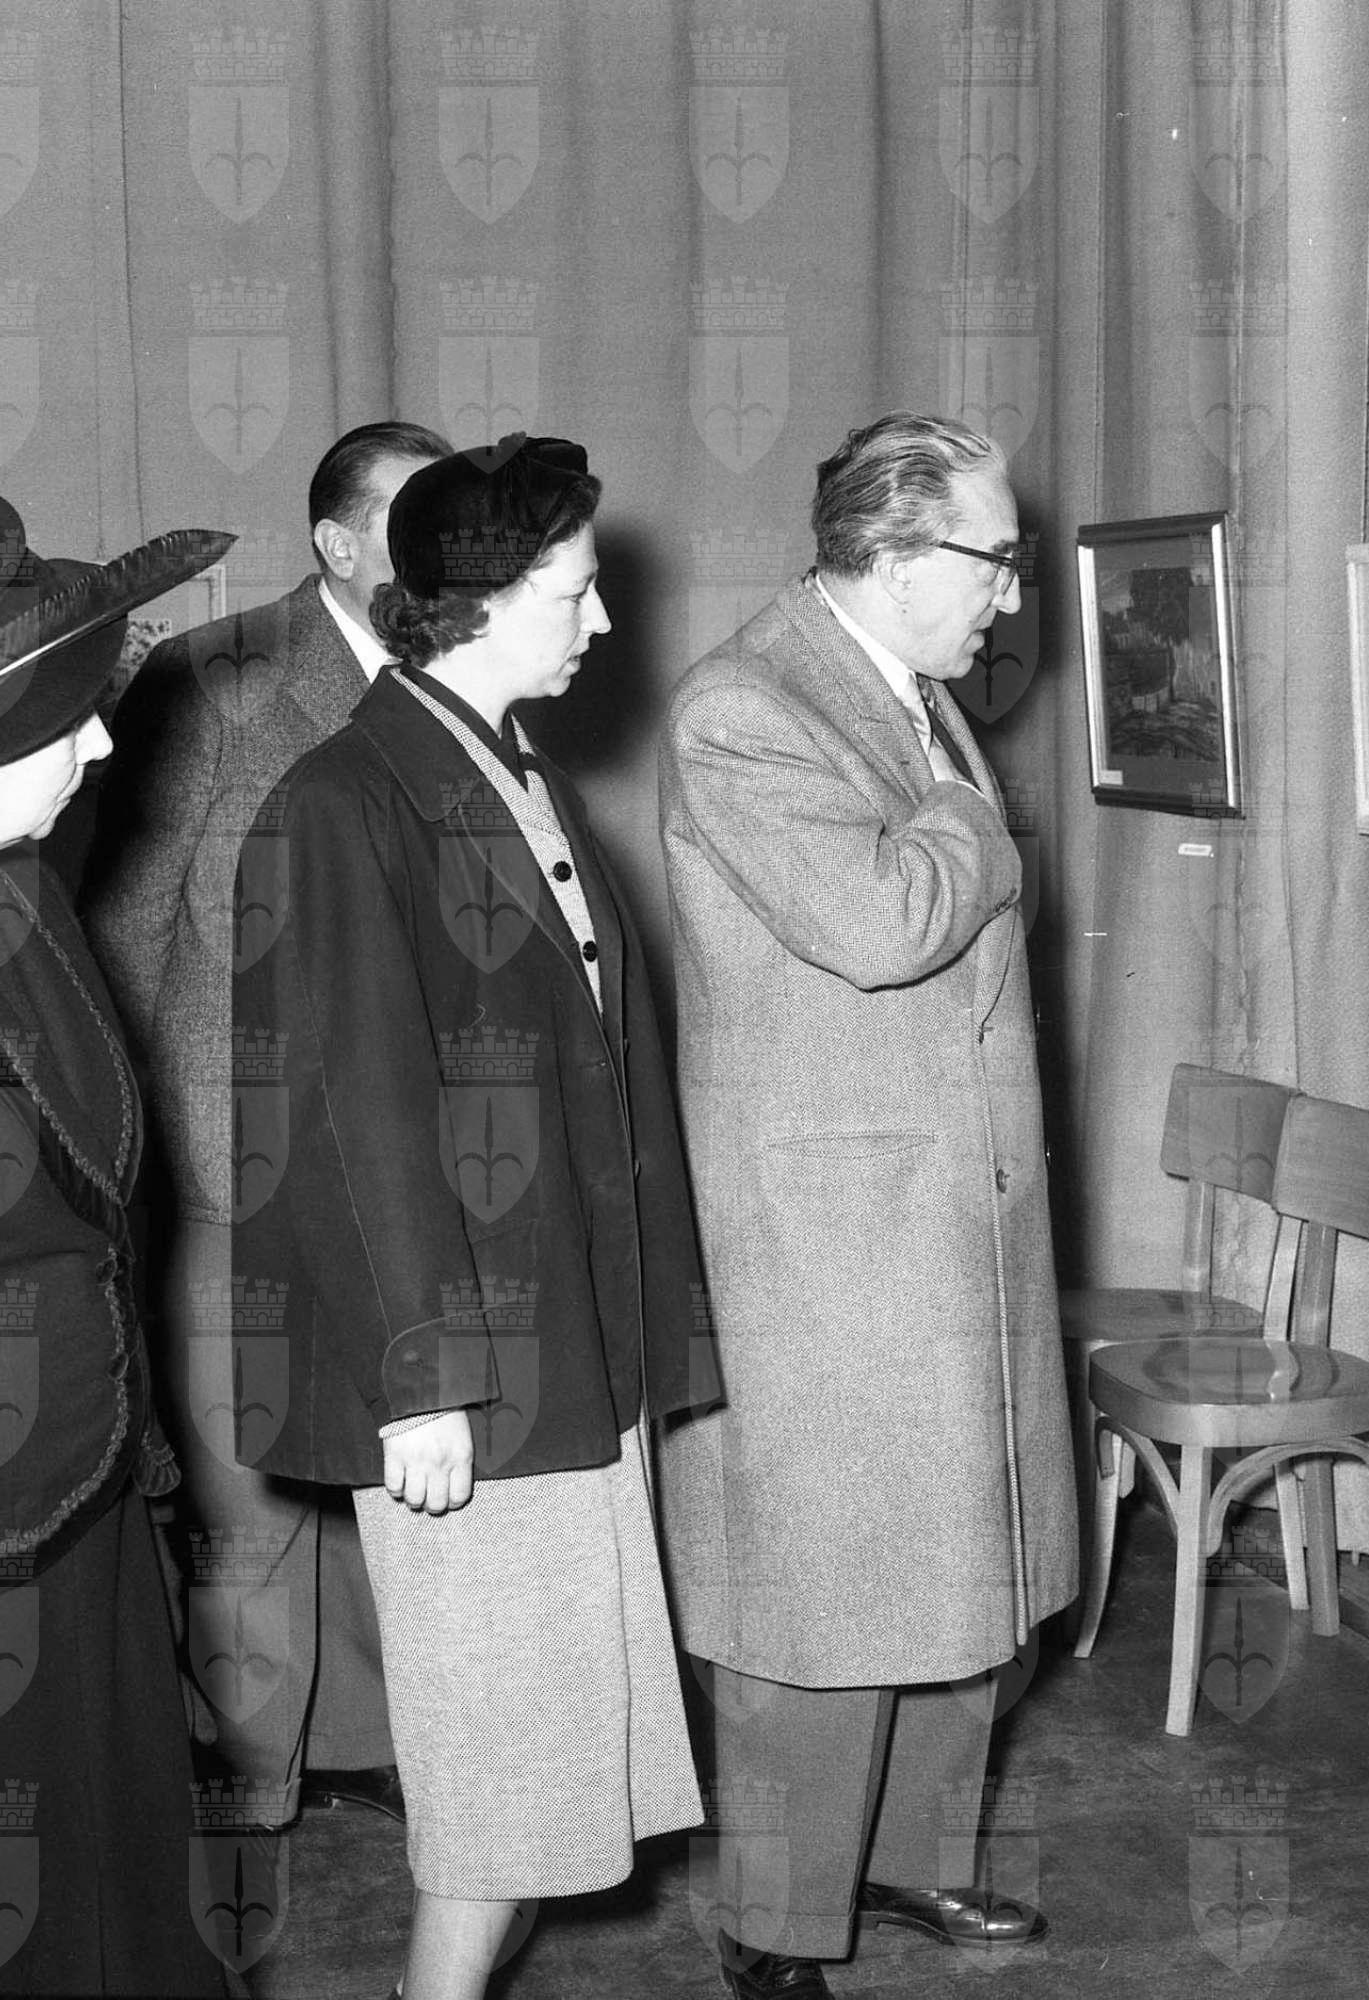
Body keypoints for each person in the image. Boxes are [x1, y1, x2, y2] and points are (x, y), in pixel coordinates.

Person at [232, 433, 719, 2000]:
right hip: (471, 1378)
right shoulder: (340, 800)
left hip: (565, 1353)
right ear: (481, 601)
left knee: (547, 1770)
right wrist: (421, 1379)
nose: (602, 622)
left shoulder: (511, 770)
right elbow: (349, 1115)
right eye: (575, 592)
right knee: (500, 1785)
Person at [655, 412, 1077, 2000]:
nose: (1011, 595)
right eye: (995, 561)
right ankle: (774, 1925)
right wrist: (975, 816)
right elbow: (884, 920)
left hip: (948, 1215)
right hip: (833, 1238)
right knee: (822, 1593)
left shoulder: (907, 683)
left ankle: (907, 1861)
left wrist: (955, 799)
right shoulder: (744, 707)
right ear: (898, 558)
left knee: (968, 1559)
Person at [0, 481, 229, 1992]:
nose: (102, 747)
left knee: (115, 1883)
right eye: (68, 720)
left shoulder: (17, 881)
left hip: (81, 1490)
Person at [82, 420, 450, 1829]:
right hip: (225, 1150)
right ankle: (249, 1771)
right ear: (337, 543)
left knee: (362, 1450)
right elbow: (125, 923)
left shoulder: (458, 675)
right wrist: (140, 1152)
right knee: (245, 1486)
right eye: (410, 522)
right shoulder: (215, 679)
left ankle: (352, 1734)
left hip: (387, 1153)